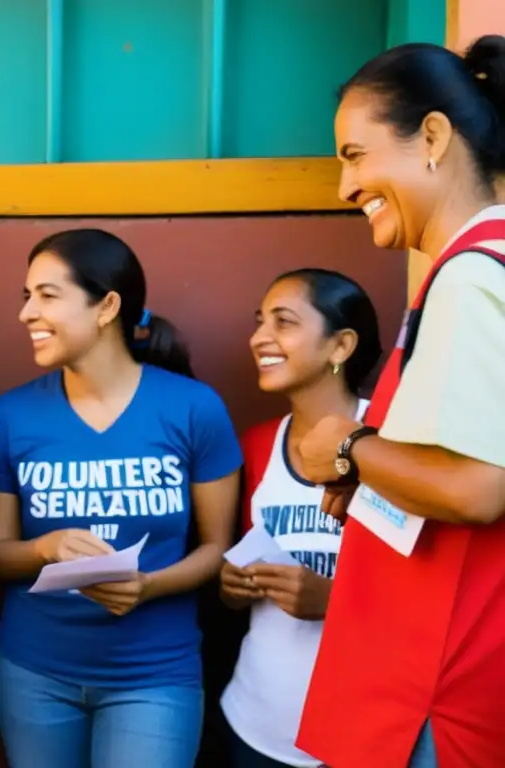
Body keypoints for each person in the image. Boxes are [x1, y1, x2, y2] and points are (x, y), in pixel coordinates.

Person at [292, 35, 505, 768]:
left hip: (438, 687)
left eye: (355, 155)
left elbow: (479, 488)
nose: (345, 186)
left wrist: (348, 448)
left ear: (434, 138)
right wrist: (378, 475)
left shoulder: (471, 279)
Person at [0, 228, 242, 768]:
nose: (27, 313)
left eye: (47, 295)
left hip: (155, 677)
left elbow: (219, 548)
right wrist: (45, 547)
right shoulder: (10, 415)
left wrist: (147, 587)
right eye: (26, 296)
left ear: (107, 307)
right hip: (34, 675)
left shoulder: (194, 409)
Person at [218, 269, 382, 768]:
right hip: (258, 724)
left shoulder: (395, 444)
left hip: (366, 729)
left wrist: (335, 600)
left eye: (283, 322)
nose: (259, 337)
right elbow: (234, 572)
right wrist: (232, 585)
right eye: (259, 321)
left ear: (341, 346)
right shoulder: (256, 445)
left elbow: (436, 594)